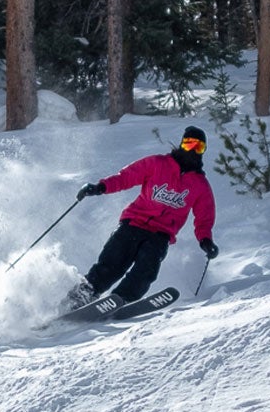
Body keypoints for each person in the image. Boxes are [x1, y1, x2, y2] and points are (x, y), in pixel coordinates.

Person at [67, 126, 218, 308]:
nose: (193, 150)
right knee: (111, 264)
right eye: (189, 144)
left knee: (146, 270)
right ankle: (77, 300)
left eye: (199, 147)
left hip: (160, 234)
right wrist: (100, 187)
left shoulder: (200, 185)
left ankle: (121, 300)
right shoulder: (158, 164)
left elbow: (204, 218)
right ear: (181, 144)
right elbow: (126, 177)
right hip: (133, 224)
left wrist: (206, 241)